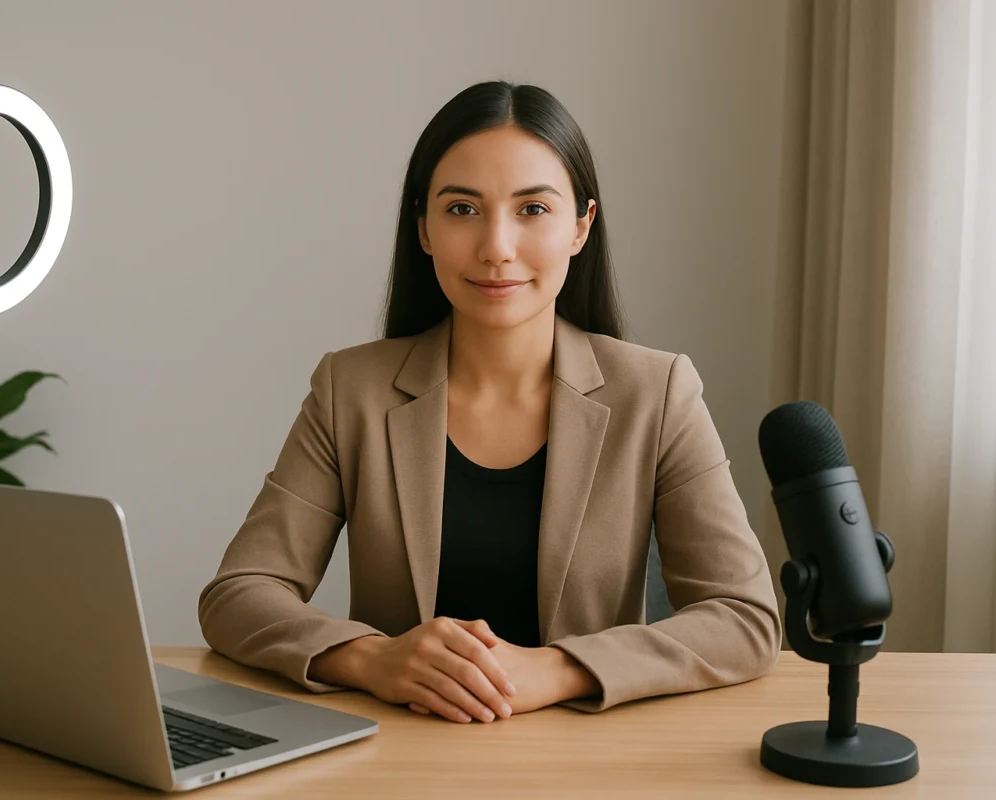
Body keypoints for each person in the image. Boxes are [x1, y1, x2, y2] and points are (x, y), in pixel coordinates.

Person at [198, 80, 780, 725]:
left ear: (581, 227)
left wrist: (560, 668)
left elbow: (744, 618)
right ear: (422, 227)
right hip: (400, 757)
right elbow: (240, 593)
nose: (497, 247)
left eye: (533, 209)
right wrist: (371, 658)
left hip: (587, 763)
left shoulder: (658, 392)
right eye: (462, 210)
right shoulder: (350, 390)